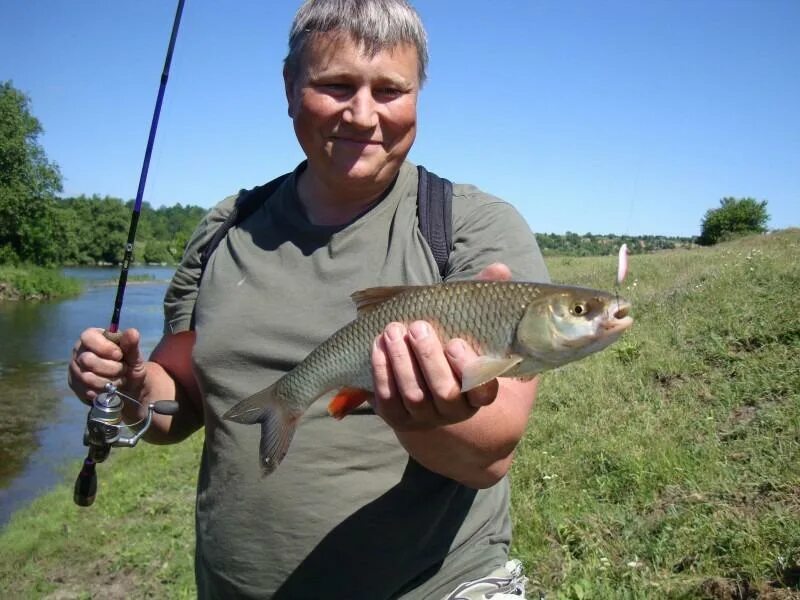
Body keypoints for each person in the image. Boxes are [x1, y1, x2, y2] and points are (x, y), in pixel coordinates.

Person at [68, 1, 550, 598]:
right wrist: (136, 392)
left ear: (418, 95)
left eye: (391, 90)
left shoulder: (474, 229)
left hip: (433, 586)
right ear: (290, 86)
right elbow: (185, 400)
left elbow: (488, 456)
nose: (364, 114)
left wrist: (414, 414)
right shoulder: (226, 228)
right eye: (337, 85)